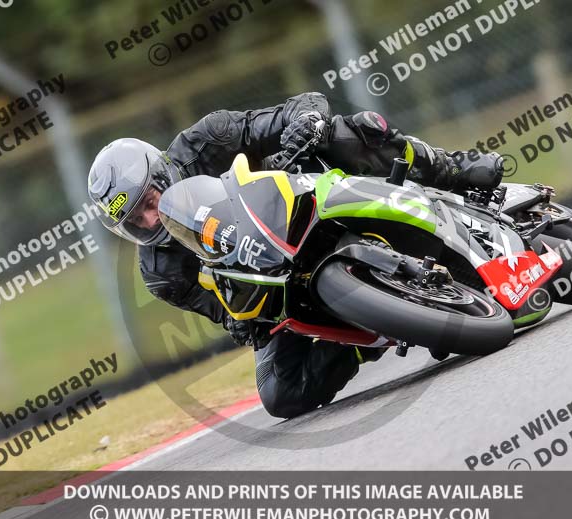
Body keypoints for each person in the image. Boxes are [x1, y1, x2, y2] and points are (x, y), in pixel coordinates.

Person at [87, 92, 503, 418]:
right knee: (279, 393)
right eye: (135, 220)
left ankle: (452, 169)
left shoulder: (207, 140)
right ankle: (370, 333)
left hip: (306, 197)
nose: (150, 218)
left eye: (149, 201)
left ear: (161, 172)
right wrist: (242, 318)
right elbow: (231, 318)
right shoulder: (163, 274)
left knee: (350, 130)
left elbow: (302, 105)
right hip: (280, 283)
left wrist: (305, 124)